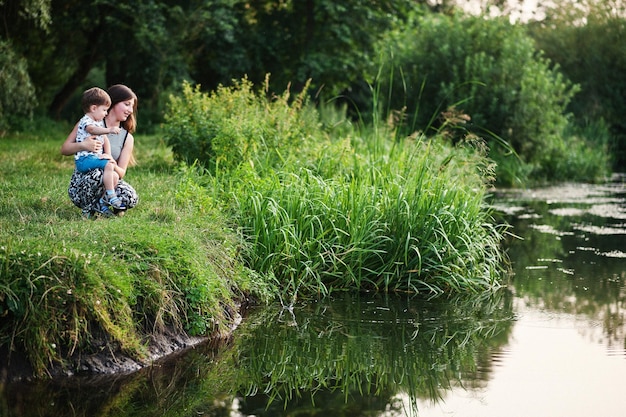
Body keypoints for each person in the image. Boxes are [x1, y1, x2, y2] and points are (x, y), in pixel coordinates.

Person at [61, 84, 139, 218]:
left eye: (132, 106)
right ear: (113, 102)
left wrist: (110, 161)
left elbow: (121, 172)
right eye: (127, 104)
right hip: (84, 182)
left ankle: (101, 204)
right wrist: (83, 145)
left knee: (131, 197)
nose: (130, 110)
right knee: (97, 174)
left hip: (110, 180)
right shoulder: (90, 123)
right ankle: (90, 206)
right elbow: (64, 149)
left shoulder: (127, 138)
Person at [74, 87, 125, 211]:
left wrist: (108, 155)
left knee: (114, 175)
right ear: (93, 108)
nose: (106, 113)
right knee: (108, 166)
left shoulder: (99, 122)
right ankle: (111, 196)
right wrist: (109, 130)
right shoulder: (86, 121)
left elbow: (105, 140)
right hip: (84, 159)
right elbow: (92, 130)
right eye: (104, 110)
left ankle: (102, 202)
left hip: (93, 158)